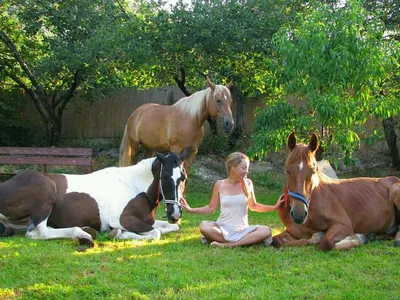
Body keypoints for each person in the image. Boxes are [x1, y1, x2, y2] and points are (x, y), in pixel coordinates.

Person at [180, 152, 285, 247]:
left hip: (243, 230)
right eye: (243, 168)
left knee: (265, 230)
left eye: (247, 168)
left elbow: (254, 206)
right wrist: (191, 209)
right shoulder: (219, 185)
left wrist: (274, 207)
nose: (247, 171)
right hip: (223, 228)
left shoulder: (248, 183)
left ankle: (227, 245)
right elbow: (211, 208)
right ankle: (240, 242)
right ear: (233, 167)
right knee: (204, 227)